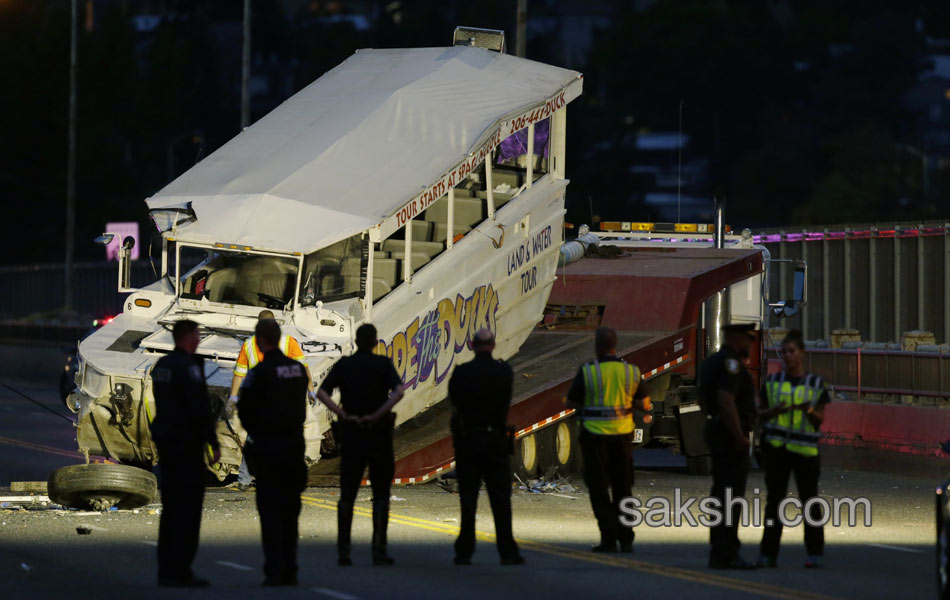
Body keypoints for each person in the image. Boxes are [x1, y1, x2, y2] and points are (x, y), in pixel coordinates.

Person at [316, 323, 405, 566]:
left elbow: (322, 393)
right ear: (375, 342)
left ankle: (344, 551)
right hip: (378, 433)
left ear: (356, 341)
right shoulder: (383, 364)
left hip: (352, 433)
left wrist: (342, 414)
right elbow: (399, 391)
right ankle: (379, 550)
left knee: (347, 495)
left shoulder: (345, 364)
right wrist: (379, 413)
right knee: (381, 494)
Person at [237, 318, 310, 586]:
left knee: (269, 513)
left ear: (259, 341)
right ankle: (291, 568)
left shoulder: (259, 372)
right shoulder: (297, 370)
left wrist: (258, 431)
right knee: (290, 514)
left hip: (268, 450)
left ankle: (273, 570)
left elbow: (245, 411)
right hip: (293, 448)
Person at [150, 319, 220, 587]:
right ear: (188, 336)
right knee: (189, 510)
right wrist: (212, 441)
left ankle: (165, 569)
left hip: (167, 443)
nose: (199, 339)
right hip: (186, 444)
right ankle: (182, 569)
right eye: (197, 334)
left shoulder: (162, 366)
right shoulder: (189, 366)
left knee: (170, 509)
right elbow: (198, 406)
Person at [566, 327, 649, 553]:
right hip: (622, 439)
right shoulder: (631, 372)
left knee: (599, 489)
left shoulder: (588, 372)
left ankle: (608, 539)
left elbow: (571, 401)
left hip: (594, 439)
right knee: (623, 488)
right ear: (614, 346)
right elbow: (644, 404)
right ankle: (627, 538)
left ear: (597, 346)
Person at [449, 329, 524, 566]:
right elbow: (505, 400)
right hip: (495, 442)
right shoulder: (503, 372)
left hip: (469, 441)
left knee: (468, 499)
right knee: (500, 500)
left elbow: (455, 401)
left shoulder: (462, 373)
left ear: (472, 345)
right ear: (492, 345)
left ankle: (464, 551)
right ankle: (507, 551)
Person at [757, 330, 830, 569]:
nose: (788, 356)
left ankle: (815, 552)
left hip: (805, 452)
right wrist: (774, 411)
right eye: (785, 351)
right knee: (774, 503)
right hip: (777, 450)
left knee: (810, 502)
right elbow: (760, 415)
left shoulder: (815, 384)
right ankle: (768, 553)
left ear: (802, 353)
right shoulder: (772, 383)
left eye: (792, 351)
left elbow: (819, 419)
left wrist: (809, 410)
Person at [229, 309, 312, 491]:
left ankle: (244, 480)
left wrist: (233, 397)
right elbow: (303, 368)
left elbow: (239, 374)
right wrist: (310, 390)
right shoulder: (288, 341)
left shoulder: (249, 344)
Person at [698, 323, 759, 570]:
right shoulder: (731, 364)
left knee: (722, 491)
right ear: (737, 338)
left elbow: (704, 399)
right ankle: (727, 551)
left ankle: (720, 551)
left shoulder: (712, 361)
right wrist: (739, 436)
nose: (751, 344)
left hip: (717, 428)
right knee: (730, 495)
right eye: (748, 339)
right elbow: (726, 400)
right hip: (729, 434)